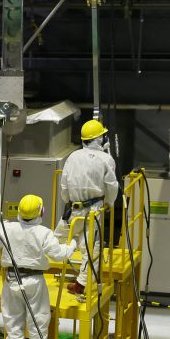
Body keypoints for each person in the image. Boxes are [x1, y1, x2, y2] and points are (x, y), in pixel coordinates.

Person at [0, 193, 75, 339]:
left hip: (11, 279)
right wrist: (72, 245)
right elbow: (59, 254)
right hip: (34, 280)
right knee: (38, 319)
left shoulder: (6, 228)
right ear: (41, 211)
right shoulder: (43, 233)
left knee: (12, 317)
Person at [56, 119, 120, 296]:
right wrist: (109, 203)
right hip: (94, 210)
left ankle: (36, 267)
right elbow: (112, 186)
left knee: (56, 239)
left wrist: (68, 201)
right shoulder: (106, 159)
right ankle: (81, 284)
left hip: (73, 209)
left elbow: (64, 185)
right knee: (91, 248)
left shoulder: (73, 156)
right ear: (99, 139)